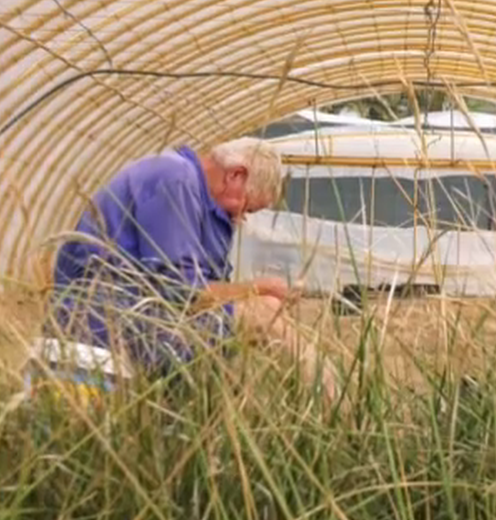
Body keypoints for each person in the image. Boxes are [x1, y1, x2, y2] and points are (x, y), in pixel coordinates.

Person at [40, 137, 331, 396]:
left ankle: (324, 395)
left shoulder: (203, 203)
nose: (242, 218)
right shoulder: (174, 177)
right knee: (262, 316)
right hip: (105, 320)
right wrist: (258, 287)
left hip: (142, 319)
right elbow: (183, 292)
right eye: (247, 208)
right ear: (236, 176)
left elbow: (201, 287)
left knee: (265, 308)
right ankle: (334, 406)